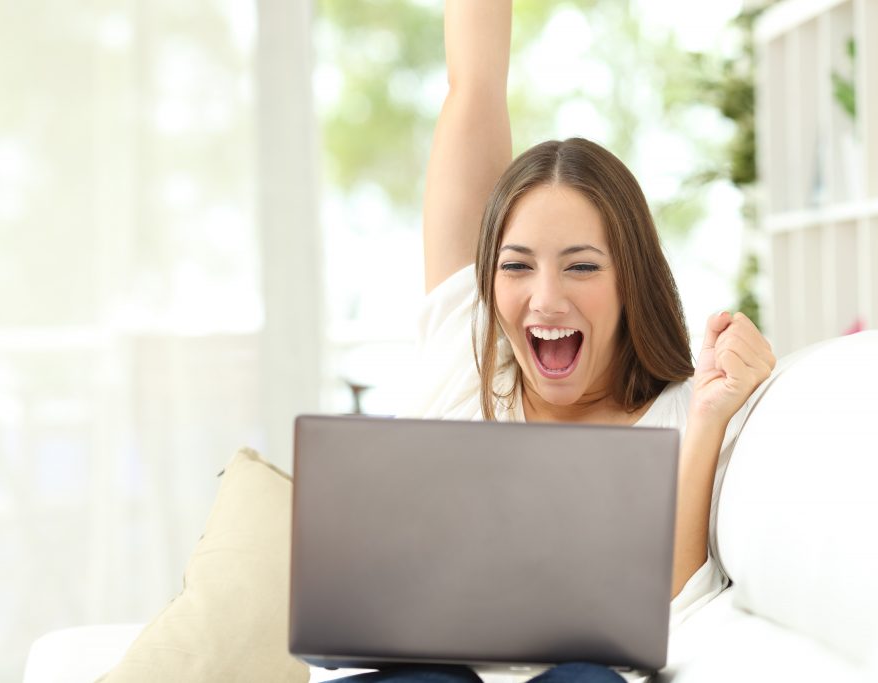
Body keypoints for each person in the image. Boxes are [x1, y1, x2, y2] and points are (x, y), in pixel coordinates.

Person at [332, 2, 775, 682]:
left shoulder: (685, 416)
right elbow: (472, 85)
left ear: (632, 280)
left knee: (588, 675)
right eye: (516, 265)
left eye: (582, 265)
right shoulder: (468, 349)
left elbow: (668, 611)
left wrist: (712, 416)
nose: (545, 298)